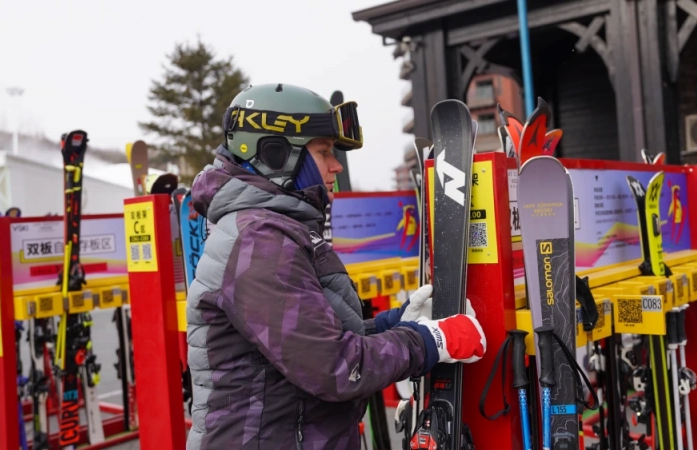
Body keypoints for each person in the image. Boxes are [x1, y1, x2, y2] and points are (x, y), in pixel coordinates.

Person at [185, 83, 486, 450]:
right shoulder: (260, 243)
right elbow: (335, 368)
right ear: (276, 155)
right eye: (324, 152)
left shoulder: (277, 231)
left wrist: (395, 322)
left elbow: (312, 340)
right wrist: (431, 341)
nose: (335, 165)